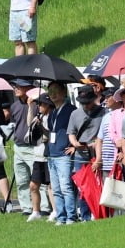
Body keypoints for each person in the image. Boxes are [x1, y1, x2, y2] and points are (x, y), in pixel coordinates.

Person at [8, 79, 49, 217]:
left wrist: (32, 105)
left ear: (29, 88)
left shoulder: (37, 104)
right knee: (21, 180)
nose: (16, 88)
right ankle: (26, 207)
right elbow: (14, 124)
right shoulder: (14, 106)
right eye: (15, 86)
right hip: (18, 147)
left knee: (37, 180)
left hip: (33, 147)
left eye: (19, 86)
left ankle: (43, 206)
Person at [41, 83, 78, 223]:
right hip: (52, 154)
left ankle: (71, 217)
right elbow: (52, 133)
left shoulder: (71, 110)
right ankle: (61, 217)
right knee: (56, 189)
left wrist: (75, 146)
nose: (53, 94)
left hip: (64, 154)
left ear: (64, 92)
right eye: (50, 91)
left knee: (66, 188)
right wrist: (39, 125)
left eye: (56, 91)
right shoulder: (52, 113)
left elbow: (77, 129)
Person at [67, 85, 104, 220]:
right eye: (83, 103)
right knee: (83, 188)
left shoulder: (103, 113)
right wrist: (75, 143)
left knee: (98, 184)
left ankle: (98, 213)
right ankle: (85, 216)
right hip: (80, 156)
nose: (86, 106)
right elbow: (71, 133)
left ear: (94, 99)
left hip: (97, 154)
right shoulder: (75, 114)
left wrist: (96, 144)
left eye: (88, 102)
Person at [23, 95, 53, 221]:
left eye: (41, 104)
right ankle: (36, 211)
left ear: (48, 105)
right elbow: (30, 124)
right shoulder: (39, 117)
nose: (39, 107)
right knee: (33, 185)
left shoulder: (52, 117)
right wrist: (30, 107)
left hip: (48, 156)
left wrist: (41, 127)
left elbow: (49, 135)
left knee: (51, 186)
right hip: (37, 156)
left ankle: (55, 211)